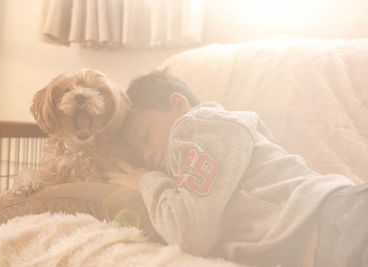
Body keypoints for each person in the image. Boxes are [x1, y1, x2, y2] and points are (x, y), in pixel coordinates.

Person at [106, 70, 368, 267]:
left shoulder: (200, 125)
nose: (147, 155)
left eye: (144, 137)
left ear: (178, 104)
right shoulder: (193, 167)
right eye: (140, 155)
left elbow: (189, 232)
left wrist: (146, 181)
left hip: (339, 219)